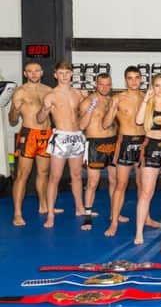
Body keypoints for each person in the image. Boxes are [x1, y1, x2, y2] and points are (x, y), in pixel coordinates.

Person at [103, 66, 159, 237]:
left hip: (144, 142)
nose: (134, 81)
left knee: (144, 185)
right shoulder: (118, 98)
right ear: (125, 79)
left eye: (137, 77)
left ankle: (147, 218)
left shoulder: (148, 98)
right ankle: (114, 221)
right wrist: (112, 109)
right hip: (125, 141)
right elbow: (105, 124)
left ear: (141, 79)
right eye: (130, 78)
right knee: (121, 184)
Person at [37, 61, 88, 228]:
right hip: (60, 137)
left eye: (67, 72)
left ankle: (80, 208)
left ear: (72, 74)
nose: (64, 76)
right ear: (55, 75)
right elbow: (40, 119)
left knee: (77, 176)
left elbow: (85, 116)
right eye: (61, 73)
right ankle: (50, 214)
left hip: (77, 136)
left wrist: (88, 100)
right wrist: (45, 109)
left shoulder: (79, 94)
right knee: (55, 177)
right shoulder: (50, 95)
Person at [9, 62, 53, 226]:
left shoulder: (49, 90)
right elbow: (13, 121)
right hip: (29, 135)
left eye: (36, 71)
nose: (34, 74)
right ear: (25, 73)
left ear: (41, 72)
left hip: (46, 134)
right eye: (30, 71)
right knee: (22, 174)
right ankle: (17, 213)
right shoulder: (20, 92)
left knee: (43, 172)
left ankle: (43, 205)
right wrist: (14, 109)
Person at [133, 74, 161, 245]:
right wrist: (145, 100)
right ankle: (139, 232)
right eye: (157, 85)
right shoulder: (147, 103)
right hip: (151, 148)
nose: (160, 89)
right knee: (146, 192)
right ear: (152, 87)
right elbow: (139, 120)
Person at [79, 73, 118, 230]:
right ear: (96, 84)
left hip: (112, 143)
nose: (104, 87)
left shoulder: (111, 101)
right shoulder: (87, 101)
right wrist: (90, 109)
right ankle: (87, 215)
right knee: (93, 182)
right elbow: (81, 126)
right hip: (95, 143)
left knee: (115, 181)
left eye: (107, 84)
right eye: (101, 84)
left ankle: (114, 214)